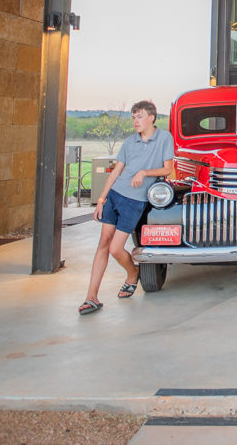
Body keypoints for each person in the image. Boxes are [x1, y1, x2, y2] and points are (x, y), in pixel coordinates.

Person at [79, 101, 174, 315]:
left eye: (139, 116)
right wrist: (101, 200)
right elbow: (115, 172)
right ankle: (91, 297)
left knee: (115, 248)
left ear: (151, 118)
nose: (135, 121)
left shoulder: (165, 138)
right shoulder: (129, 142)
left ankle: (133, 274)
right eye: (133, 117)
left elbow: (168, 168)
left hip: (135, 201)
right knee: (103, 242)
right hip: (115, 195)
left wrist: (144, 172)